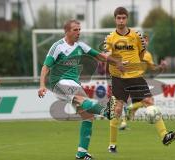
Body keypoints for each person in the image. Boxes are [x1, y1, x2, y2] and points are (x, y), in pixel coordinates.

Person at [38, 19, 124, 160]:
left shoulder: (81, 46)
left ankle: (81, 154)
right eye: (75, 30)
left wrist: (117, 62)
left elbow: (100, 57)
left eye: (79, 30)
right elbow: (45, 67)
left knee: (88, 116)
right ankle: (106, 111)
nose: (78, 32)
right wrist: (42, 85)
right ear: (67, 31)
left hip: (74, 84)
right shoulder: (58, 46)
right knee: (82, 100)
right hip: (59, 83)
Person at [104, 7, 175, 153]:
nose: (121, 21)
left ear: (127, 19)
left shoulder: (137, 36)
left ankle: (165, 136)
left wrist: (135, 65)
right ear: (115, 19)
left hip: (136, 77)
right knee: (117, 109)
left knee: (149, 102)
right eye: (118, 18)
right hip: (118, 77)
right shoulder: (110, 37)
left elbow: (142, 54)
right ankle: (112, 145)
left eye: (123, 18)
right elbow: (106, 55)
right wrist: (117, 63)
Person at [118, 34, 155, 130]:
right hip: (135, 79)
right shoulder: (135, 51)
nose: (144, 42)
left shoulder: (148, 55)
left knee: (136, 107)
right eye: (142, 40)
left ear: (148, 42)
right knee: (149, 100)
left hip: (138, 79)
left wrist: (162, 67)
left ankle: (123, 123)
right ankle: (130, 108)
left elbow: (152, 68)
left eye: (146, 41)